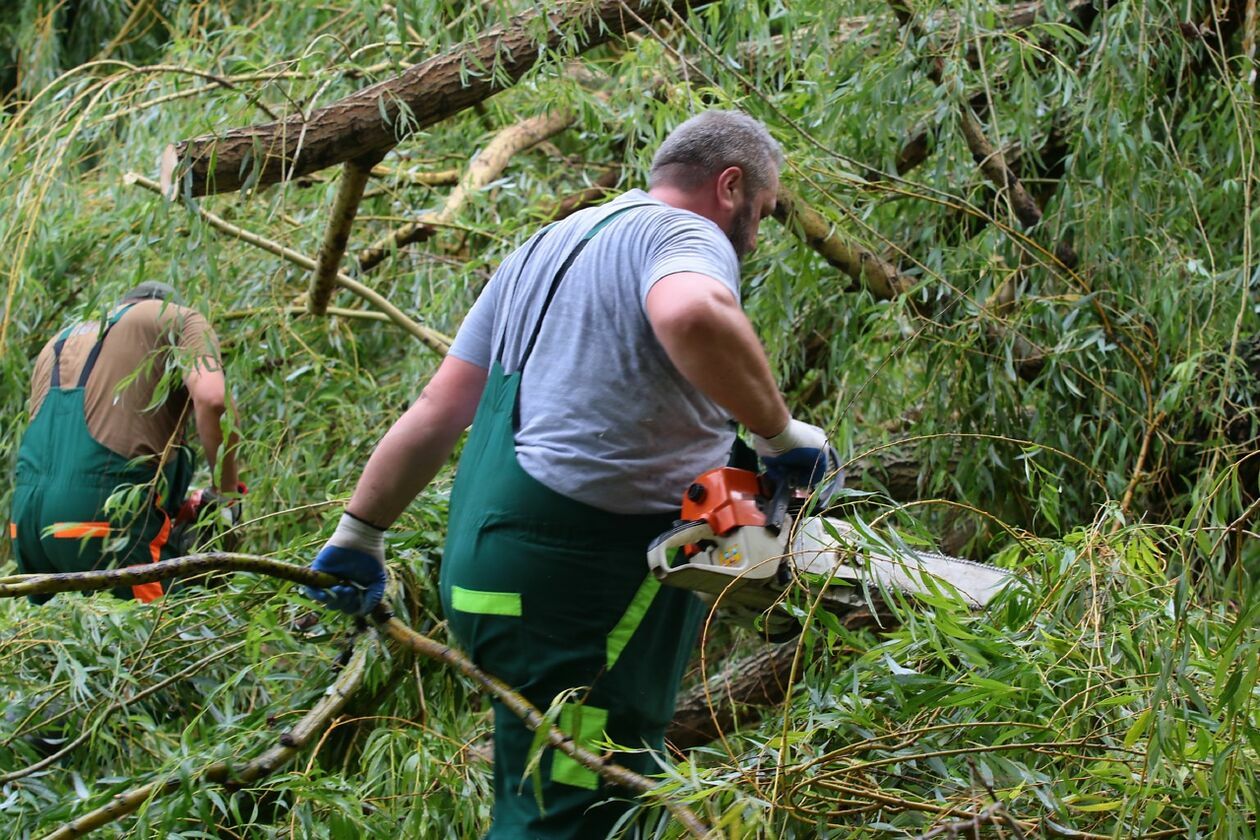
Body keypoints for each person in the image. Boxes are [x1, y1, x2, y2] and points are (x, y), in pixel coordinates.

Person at [306, 110, 838, 837]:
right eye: (764, 213)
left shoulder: (543, 247)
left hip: (487, 567)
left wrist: (359, 533)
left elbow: (439, 406)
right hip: (582, 581)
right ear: (730, 186)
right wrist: (779, 434)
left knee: (543, 790)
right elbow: (691, 315)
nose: (756, 231)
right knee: (579, 814)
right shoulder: (682, 235)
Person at [9, 281, 241, 604]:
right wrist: (227, 497)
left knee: (61, 643)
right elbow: (214, 400)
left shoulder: (60, 340)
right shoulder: (179, 319)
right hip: (101, 522)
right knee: (168, 628)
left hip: (28, 525)